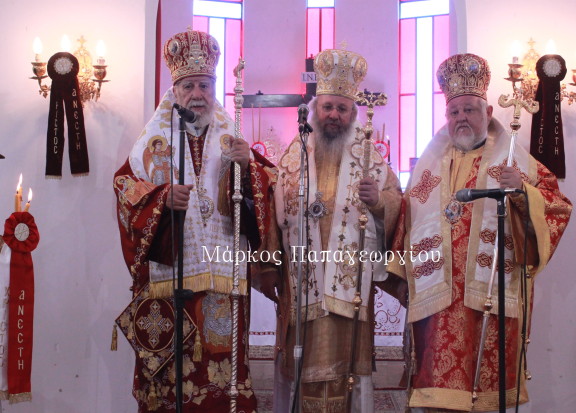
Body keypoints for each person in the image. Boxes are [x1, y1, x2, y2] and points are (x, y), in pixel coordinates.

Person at [388, 53, 573, 412]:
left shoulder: (515, 161)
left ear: (487, 113)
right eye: (454, 111)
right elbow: (406, 219)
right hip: (437, 305)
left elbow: (558, 206)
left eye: (469, 110)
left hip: (489, 302)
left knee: (486, 395)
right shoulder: (429, 165)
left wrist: (523, 192)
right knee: (437, 394)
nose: (461, 118)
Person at [113, 29, 276, 412]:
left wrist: (247, 169)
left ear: (214, 88)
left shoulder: (231, 136)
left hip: (222, 280)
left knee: (220, 377)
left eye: (204, 85)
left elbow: (268, 188)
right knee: (170, 381)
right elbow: (125, 188)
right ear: (175, 91)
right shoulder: (151, 141)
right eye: (188, 86)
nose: (197, 94)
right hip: (170, 280)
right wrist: (161, 199)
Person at [260, 48, 403, 412]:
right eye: (327, 107)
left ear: (353, 114)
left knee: (345, 367)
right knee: (301, 364)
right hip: (301, 285)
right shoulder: (293, 155)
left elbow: (397, 203)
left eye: (342, 108)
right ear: (315, 110)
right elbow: (274, 211)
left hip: (348, 293)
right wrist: (270, 264)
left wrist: (378, 201)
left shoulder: (370, 157)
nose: (334, 115)